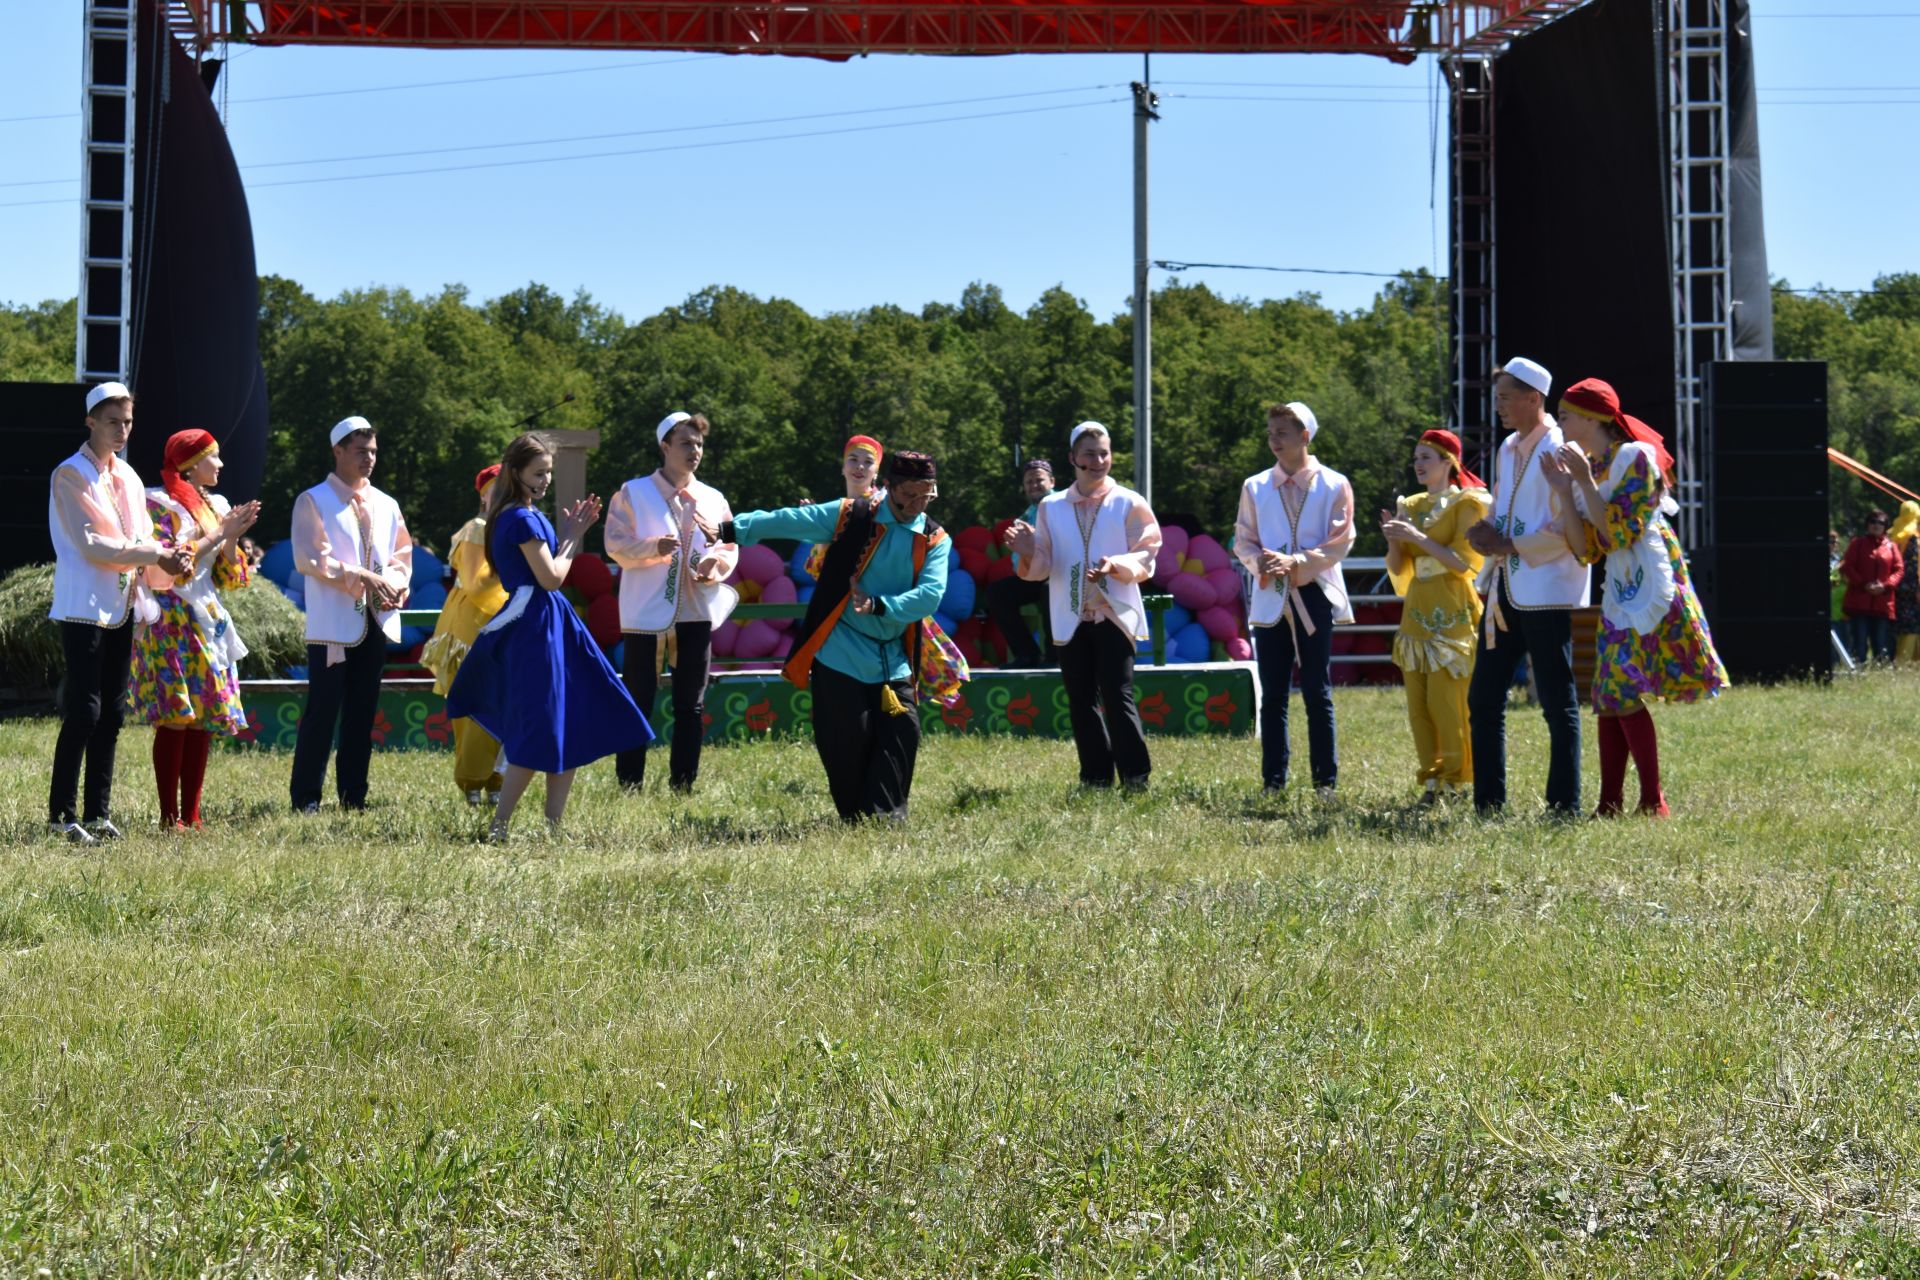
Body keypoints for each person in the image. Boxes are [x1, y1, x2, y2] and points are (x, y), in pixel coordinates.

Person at [712, 450, 951, 821]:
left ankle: (886, 818)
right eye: (911, 494)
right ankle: (856, 817)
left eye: (928, 495)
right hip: (841, 648)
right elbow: (792, 520)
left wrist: (877, 605)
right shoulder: (851, 514)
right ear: (889, 487)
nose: (918, 504)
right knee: (846, 739)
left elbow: (930, 595)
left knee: (903, 731)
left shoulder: (934, 538)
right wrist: (731, 529)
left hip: (894, 654)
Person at [445, 433, 655, 840]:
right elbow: (552, 577)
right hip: (535, 627)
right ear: (514, 472)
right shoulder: (520, 518)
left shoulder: (524, 514)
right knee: (538, 727)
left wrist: (570, 533)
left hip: (550, 624)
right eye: (538, 472)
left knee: (568, 719)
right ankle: (499, 827)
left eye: (549, 473)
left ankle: (553, 828)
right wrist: (575, 535)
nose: (545, 480)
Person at [1540, 378, 1728, 817]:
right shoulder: (1593, 465)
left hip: (1650, 580)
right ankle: (1610, 803)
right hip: (1620, 586)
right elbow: (1585, 549)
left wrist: (1583, 483)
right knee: (1609, 694)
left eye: (1565, 413)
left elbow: (1619, 532)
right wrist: (1567, 491)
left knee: (1620, 688)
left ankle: (1651, 800)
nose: (1559, 420)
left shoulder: (1634, 458)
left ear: (1592, 417)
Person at [46, 382, 192, 843]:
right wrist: (156, 555)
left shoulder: (128, 477)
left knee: (112, 711)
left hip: (122, 603)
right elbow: (93, 543)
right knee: (85, 711)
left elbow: (143, 533)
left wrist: (172, 555)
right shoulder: (70, 474)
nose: (122, 430)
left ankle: (97, 814)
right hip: (83, 605)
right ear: (91, 421)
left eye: (128, 422)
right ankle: (60, 815)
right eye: (113, 421)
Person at [1465, 356, 1590, 816]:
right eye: (1496, 397)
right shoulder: (1507, 448)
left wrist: (1509, 543)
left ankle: (1564, 805)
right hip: (1505, 588)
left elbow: (1567, 528)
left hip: (1547, 591)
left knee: (1558, 700)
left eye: (1504, 397)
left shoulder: (1560, 446)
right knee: (1483, 697)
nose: (1497, 406)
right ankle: (1488, 804)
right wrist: (1486, 529)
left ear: (1533, 399)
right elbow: (1505, 508)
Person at [1007, 422, 1162, 790]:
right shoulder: (1051, 506)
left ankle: (1136, 775)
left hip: (1113, 611)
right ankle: (1095, 776)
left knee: (1117, 693)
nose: (1098, 460)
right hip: (1069, 615)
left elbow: (1148, 552)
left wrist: (1116, 565)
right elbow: (1044, 566)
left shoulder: (1129, 501)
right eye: (1090, 453)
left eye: (1104, 453)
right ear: (1073, 458)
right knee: (1080, 700)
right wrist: (1029, 553)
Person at [128, 430, 262, 830]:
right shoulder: (159, 504)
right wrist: (220, 533)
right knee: (177, 715)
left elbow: (231, 577)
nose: (220, 465)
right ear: (190, 463)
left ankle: (193, 815)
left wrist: (231, 538)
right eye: (213, 457)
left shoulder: (214, 505)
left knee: (201, 714)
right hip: (171, 619)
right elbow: (174, 564)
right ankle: (171, 817)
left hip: (207, 617)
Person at [604, 411, 738, 793]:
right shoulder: (633, 492)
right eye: (685, 443)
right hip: (644, 613)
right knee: (637, 700)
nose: (694, 451)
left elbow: (729, 545)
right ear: (665, 446)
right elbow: (615, 543)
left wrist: (716, 564)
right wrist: (653, 547)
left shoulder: (713, 498)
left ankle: (683, 785)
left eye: (699, 444)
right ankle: (629, 784)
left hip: (696, 611)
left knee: (690, 704)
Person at [288, 416, 414, 812]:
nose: (369, 459)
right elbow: (310, 558)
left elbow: (401, 555)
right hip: (332, 627)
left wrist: (397, 583)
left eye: (373, 451)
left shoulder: (387, 504)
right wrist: (360, 575)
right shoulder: (313, 500)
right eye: (360, 451)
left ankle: (353, 797)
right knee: (322, 713)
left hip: (375, 622)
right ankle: (306, 797)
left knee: (362, 714)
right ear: (338, 451)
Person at [1232, 402, 1355, 795]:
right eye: (1270, 433)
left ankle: (1325, 782)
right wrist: (1261, 562)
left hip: (1314, 594)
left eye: (1281, 433)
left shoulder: (1334, 484)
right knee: (1273, 693)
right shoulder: (1255, 486)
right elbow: (1244, 539)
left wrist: (1298, 561)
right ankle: (1274, 780)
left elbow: (1341, 541)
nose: (1273, 441)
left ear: (1305, 436)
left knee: (1317, 690)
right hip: (1270, 597)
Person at [1380, 428, 1489, 804]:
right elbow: (1399, 568)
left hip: (1453, 607)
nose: (1418, 465)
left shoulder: (1467, 504)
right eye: (1415, 459)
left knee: (1448, 702)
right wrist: (1394, 540)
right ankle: (1431, 781)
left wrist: (1419, 537)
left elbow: (1463, 565)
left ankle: (1458, 781)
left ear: (1449, 462)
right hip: (1417, 608)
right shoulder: (1409, 505)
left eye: (1425, 457)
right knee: (1419, 705)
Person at [421, 464, 510, 805]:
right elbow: (478, 584)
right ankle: (474, 780)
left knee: (506, 701)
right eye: (497, 489)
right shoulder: (477, 529)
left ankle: (499, 778)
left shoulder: (516, 528)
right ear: (484, 496)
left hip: (506, 624)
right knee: (478, 703)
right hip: (476, 628)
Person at [986, 458, 1057, 667]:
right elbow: (1018, 559)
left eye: (1039, 480)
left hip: (1063, 574)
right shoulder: (1026, 516)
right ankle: (1027, 655)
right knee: (997, 593)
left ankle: (1056, 656)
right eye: (1029, 482)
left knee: (1049, 589)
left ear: (1052, 482)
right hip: (1036, 573)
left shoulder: (1062, 507)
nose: (1034, 485)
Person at [1839, 508, 1903, 664]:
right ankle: (1857, 671)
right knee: (1859, 643)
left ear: (1885, 526)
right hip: (1859, 602)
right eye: (1872, 522)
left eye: (1880, 522)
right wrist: (1863, 584)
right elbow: (1848, 566)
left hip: (1882, 603)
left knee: (1881, 643)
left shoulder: (1891, 546)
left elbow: (1899, 569)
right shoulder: (1857, 544)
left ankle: (1880, 673)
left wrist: (1886, 585)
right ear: (1867, 525)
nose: (1876, 525)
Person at [1891, 500, 1920, 665]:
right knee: (1912, 629)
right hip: (1912, 592)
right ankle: (1906, 664)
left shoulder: (1893, 533)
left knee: (1903, 629)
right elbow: (1914, 568)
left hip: (1895, 590)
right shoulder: (1913, 539)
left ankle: (1903, 662)